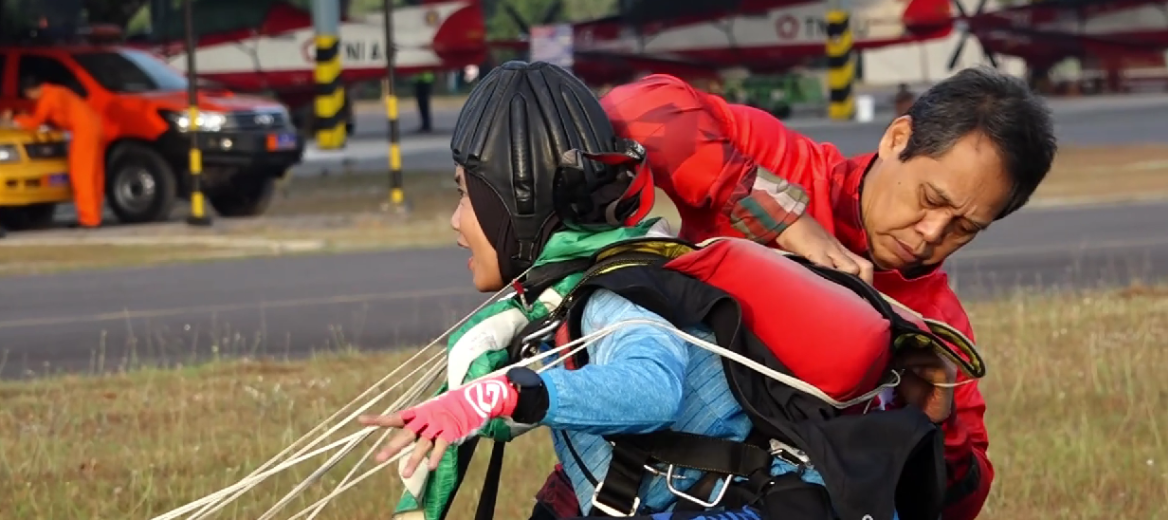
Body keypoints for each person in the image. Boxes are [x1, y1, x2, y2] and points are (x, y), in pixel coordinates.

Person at [359, 61, 965, 520]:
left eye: (465, 194)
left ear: (512, 204)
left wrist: (499, 396)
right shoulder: (570, 291)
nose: (455, 221)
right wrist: (476, 405)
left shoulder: (613, 293)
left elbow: (649, 386)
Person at [584, 66, 1057, 520]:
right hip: (616, 480)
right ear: (897, 139)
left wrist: (937, 421)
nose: (932, 233)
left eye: (965, 227)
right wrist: (784, 219)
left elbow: (961, 503)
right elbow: (631, 108)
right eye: (931, 200)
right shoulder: (784, 165)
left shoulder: (937, 327)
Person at [2, 77, 106, 229]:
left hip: (83, 131)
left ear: (31, 91)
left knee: (81, 174)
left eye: (29, 96)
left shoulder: (47, 98)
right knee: (95, 174)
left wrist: (14, 120)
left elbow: (35, 122)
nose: (31, 99)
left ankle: (89, 219)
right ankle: (95, 216)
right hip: (96, 126)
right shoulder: (57, 91)